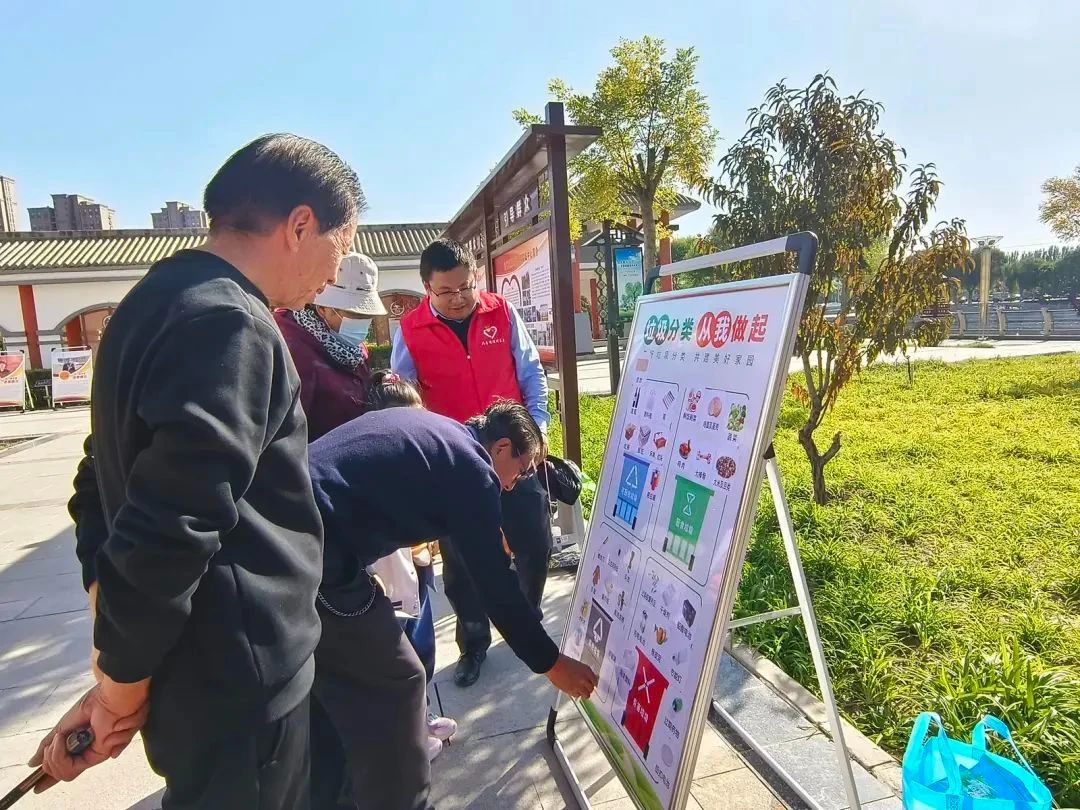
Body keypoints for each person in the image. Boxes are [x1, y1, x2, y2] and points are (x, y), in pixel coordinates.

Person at [42, 133, 363, 810]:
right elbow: (172, 523)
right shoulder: (231, 323)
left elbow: (99, 477)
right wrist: (119, 684)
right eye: (343, 243)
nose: (335, 272)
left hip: (196, 675)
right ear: (300, 225)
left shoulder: (150, 303)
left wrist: (115, 652)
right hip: (239, 681)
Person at [307, 401, 597, 810]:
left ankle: (327, 795)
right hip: (318, 552)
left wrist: (486, 533)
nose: (514, 484)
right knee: (400, 680)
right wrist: (552, 663)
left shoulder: (448, 438)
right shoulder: (474, 472)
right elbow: (496, 588)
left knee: (325, 694)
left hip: (294, 525)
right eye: (523, 469)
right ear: (501, 448)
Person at [392, 237, 554, 688]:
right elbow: (404, 399)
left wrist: (537, 432)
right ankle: (474, 642)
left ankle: (526, 620)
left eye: (466, 286)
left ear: (475, 278)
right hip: (455, 465)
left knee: (535, 543)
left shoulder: (501, 312)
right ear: (427, 288)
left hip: (514, 454)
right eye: (446, 291)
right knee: (462, 564)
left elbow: (531, 374)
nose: (459, 298)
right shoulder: (410, 330)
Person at [274, 252, 385, 441]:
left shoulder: (352, 348)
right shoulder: (292, 351)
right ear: (322, 309)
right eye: (353, 314)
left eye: (366, 316)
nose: (361, 322)